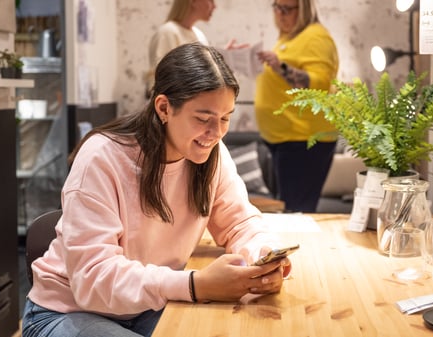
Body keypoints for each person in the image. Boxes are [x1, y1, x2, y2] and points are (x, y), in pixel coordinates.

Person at [21, 43, 292, 337]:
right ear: (164, 107)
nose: (216, 132)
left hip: (149, 306)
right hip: (68, 312)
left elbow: (240, 222)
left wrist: (261, 256)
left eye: (225, 118)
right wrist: (194, 284)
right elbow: (93, 279)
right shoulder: (101, 158)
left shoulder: (211, 152)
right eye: (203, 119)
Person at [255, 0, 339, 212]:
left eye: (287, 9)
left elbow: (319, 85)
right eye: (276, 7)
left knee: (296, 214)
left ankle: (303, 246)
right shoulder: (289, 38)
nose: (280, 14)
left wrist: (280, 67)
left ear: (304, 9)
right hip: (286, 140)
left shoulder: (316, 37)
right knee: (288, 211)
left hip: (304, 141)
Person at [145, 0, 216, 96]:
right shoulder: (167, 33)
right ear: (193, 2)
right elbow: (164, 79)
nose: (214, 6)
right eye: (211, 1)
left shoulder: (199, 35)